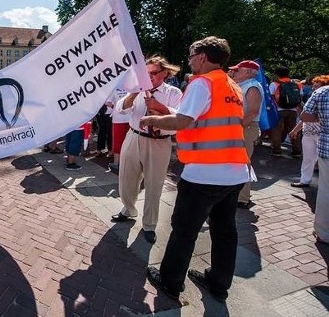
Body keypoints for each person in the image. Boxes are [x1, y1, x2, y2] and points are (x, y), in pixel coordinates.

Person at [141, 36, 249, 303]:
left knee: (184, 230)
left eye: (191, 55)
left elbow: (182, 120)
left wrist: (151, 118)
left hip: (204, 172)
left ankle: (170, 281)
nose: (189, 61)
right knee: (225, 232)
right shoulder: (232, 85)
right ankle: (219, 283)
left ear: (202, 57)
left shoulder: (202, 83)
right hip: (235, 171)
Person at [111, 56, 182, 244]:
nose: (149, 77)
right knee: (127, 178)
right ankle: (128, 209)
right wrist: (133, 94)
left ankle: (149, 224)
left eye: (153, 73)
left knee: (154, 184)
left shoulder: (173, 92)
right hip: (134, 137)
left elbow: (181, 118)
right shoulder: (137, 91)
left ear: (165, 73)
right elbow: (120, 109)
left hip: (159, 142)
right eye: (146, 73)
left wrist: (159, 107)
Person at [228, 60, 263, 209]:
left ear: (248, 72)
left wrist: (237, 126)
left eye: (238, 70)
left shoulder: (252, 87)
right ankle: (237, 195)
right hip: (241, 127)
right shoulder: (242, 85)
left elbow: (253, 112)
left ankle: (242, 198)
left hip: (246, 128)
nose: (234, 72)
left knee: (242, 163)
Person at [291, 75, 329, 188]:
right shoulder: (314, 97)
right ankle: (305, 180)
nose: (313, 88)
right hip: (308, 133)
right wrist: (295, 130)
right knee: (308, 158)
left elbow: (305, 116)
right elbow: (304, 118)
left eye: (316, 86)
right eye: (313, 85)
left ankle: (323, 184)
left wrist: (319, 117)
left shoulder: (321, 97)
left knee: (322, 161)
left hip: (321, 134)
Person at [269, 67, 302, 157]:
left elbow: (271, 98)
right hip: (293, 110)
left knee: (276, 130)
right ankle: (297, 150)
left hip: (278, 110)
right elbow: (300, 97)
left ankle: (277, 150)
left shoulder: (274, 84)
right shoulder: (297, 84)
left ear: (277, 74)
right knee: (293, 130)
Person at [105, 89, 129, 173]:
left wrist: (114, 107)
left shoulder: (114, 87)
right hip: (130, 118)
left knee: (118, 141)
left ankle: (116, 163)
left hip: (118, 118)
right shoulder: (132, 86)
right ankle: (128, 163)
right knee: (129, 142)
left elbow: (107, 102)